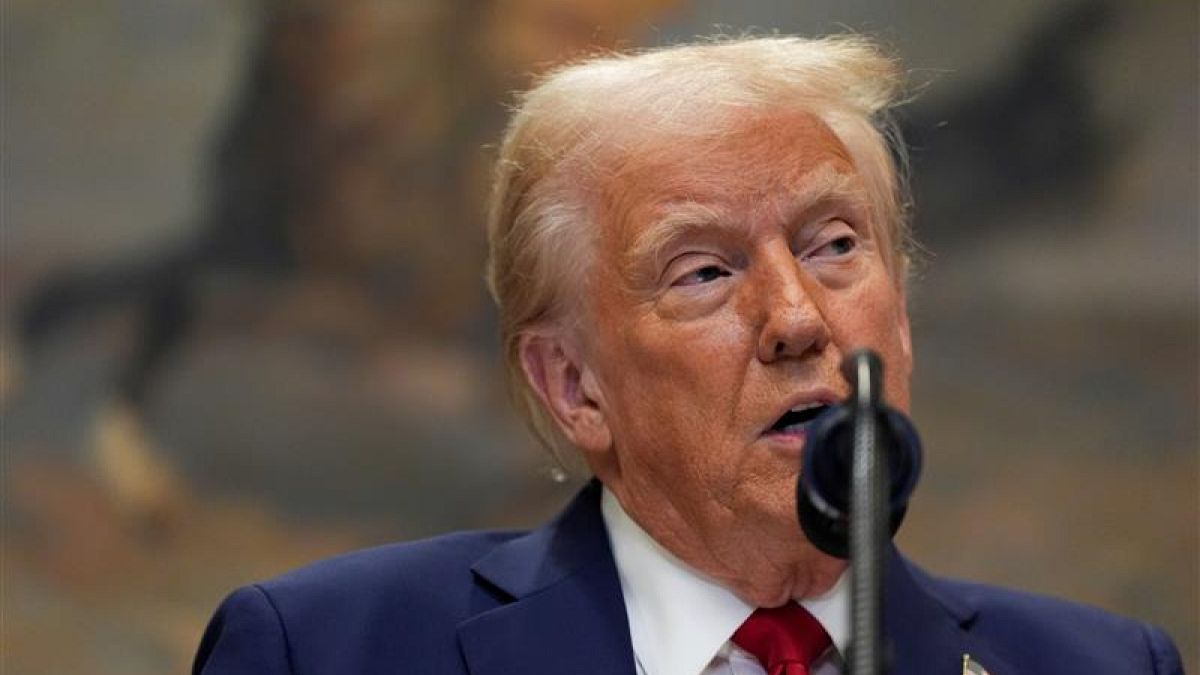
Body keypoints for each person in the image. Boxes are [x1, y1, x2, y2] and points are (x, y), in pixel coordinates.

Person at [192, 35, 1183, 675]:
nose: (797, 317)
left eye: (835, 246)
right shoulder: (327, 651)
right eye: (703, 272)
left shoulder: (1102, 665)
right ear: (573, 386)